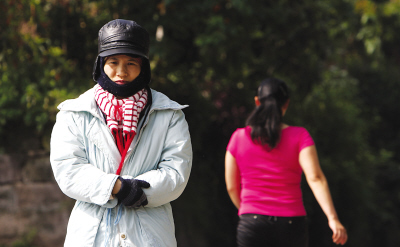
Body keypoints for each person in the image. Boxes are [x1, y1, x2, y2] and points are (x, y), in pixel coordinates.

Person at [50, 19, 192, 247]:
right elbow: (68, 169)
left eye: (131, 63)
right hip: (91, 237)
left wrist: (138, 191)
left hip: (149, 237)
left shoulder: (169, 114)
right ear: (100, 64)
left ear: (143, 66)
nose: (121, 72)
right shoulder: (74, 112)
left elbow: (176, 172)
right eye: (113, 62)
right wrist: (118, 187)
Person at [225, 78, 347, 246]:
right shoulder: (300, 136)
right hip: (291, 223)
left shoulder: (238, 137)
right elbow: (315, 178)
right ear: (286, 103)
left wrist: (248, 210)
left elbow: (232, 186)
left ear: (257, 101)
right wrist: (333, 218)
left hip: (252, 223)